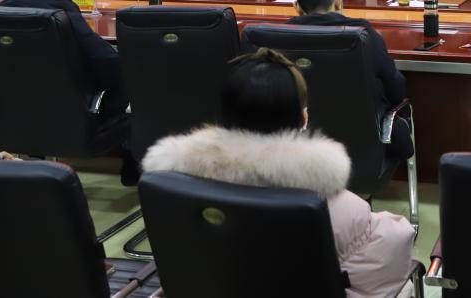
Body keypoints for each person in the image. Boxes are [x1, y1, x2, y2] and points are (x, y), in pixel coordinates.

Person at [142, 48, 416, 298]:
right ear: (303, 118)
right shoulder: (336, 208)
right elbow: (384, 268)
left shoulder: (171, 187)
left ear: (221, 116)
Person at [288, 0, 412, 158]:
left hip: (300, 149)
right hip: (361, 150)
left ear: (296, 7)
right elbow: (395, 89)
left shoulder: (279, 35)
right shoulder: (362, 34)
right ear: (339, 0)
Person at [0, 0, 128, 117]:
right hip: (65, 114)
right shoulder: (62, 14)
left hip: (11, 112)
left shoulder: (3, 10)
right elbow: (107, 60)